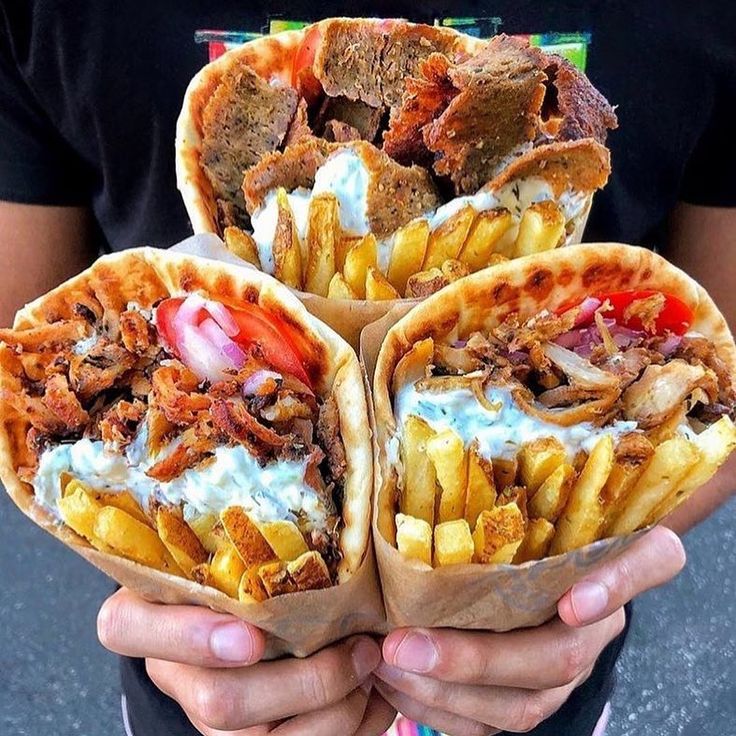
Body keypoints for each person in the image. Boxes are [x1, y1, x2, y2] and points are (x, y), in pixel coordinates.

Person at [1, 2, 734, 734]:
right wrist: (154, 581)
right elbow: (24, 364)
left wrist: (587, 570)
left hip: (547, 687)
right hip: (203, 695)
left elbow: (719, 392)